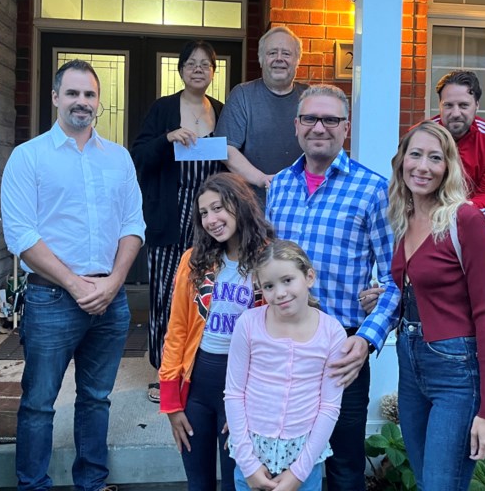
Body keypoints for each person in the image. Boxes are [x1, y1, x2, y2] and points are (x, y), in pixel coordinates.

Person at [1, 59, 145, 491]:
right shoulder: (28, 158)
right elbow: (21, 235)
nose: (81, 102)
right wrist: (76, 284)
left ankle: (92, 481)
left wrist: (115, 281)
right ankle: (33, 485)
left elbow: (133, 225)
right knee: (39, 403)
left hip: (110, 297)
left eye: (89, 95)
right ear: (55, 98)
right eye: (73, 93)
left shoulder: (118, 158)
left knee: (97, 399)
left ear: (99, 102)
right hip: (51, 300)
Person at [265, 84, 400, 491]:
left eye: (330, 119)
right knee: (281, 457)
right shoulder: (278, 188)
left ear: (346, 128)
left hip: (342, 349)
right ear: (297, 126)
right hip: (282, 345)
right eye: (310, 118)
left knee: (343, 466)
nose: (319, 127)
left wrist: (366, 340)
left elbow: (396, 281)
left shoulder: (373, 190)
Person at [387, 120, 485, 491]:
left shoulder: (464, 219)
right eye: (415, 155)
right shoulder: (405, 217)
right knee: (425, 480)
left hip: (456, 368)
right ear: (402, 161)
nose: (423, 166)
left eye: (435, 158)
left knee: (440, 484)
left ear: (448, 167)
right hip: (410, 358)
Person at [158, 172, 276, 491]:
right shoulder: (192, 262)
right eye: (204, 213)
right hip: (197, 388)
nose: (211, 219)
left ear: (239, 204)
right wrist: (171, 404)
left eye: (218, 208)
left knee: (237, 484)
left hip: (243, 391)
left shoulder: (270, 260)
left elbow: (280, 338)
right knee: (198, 484)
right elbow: (177, 331)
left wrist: (256, 407)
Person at [131, 39, 225, 403]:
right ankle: (163, 372)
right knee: (166, 297)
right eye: (192, 63)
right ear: (181, 69)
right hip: (170, 216)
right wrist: (167, 138)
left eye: (206, 64)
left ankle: (196, 367)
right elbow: (138, 155)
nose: (199, 69)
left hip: (211, 220)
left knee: (205, 295)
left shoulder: (220, 109)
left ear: (213, 72)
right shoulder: (163, 109)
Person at [224, 239, 347, 491]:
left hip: (303, 464)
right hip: (253, 461)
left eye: (288, 280)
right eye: (269, 286)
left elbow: (329, 406)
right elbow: (234, 393)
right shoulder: (248, 324)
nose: (279, 293)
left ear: (309, 277)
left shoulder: (332, 333)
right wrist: (248, 465)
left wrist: (297, 474)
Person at [215, 26, 309, 206]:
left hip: (303, 201)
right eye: (272, 53)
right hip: (252, 205)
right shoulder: (242, 95)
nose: (279, 59)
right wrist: (262, 179)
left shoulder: (310, 97)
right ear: (261, 59)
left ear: (297, 60)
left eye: (286, 53)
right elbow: (225, 149)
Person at [430, 70, 485, 214]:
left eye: (463, 105)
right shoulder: (421, 135)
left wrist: (455, 211)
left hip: (469, 221)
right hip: (426, 220)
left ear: (477, 105)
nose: (455, 113)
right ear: (440, 105)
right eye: (448, 105)